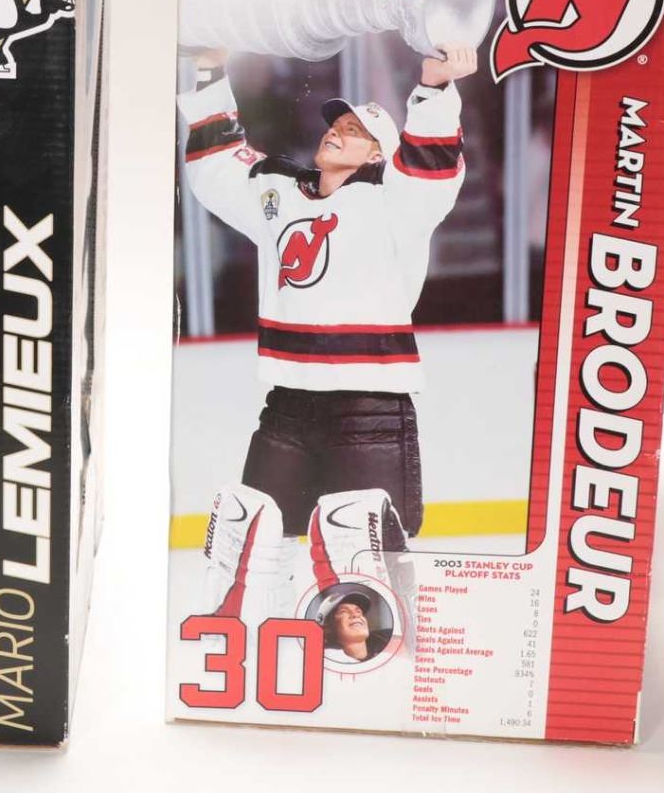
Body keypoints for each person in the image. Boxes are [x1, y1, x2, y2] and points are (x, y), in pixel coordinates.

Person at [183, 43, 479, 639]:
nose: (338, 132)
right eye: (337, 124)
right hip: (287, 406)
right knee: (250, 543)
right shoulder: (276, 192)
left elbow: (431, 168)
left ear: (380, 154)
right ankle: (250, 657)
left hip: (370, 408)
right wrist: (211, 70)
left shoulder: (397, 202)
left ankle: (374, 668)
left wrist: (433, 88)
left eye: (356, 132)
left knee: (364, 567)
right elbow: (215, 165)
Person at [320, 591, 396, 664]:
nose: (356, 615)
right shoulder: (328, 661)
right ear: (327, 628)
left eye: (358, 611)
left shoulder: (388, 641)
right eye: (343, 611)